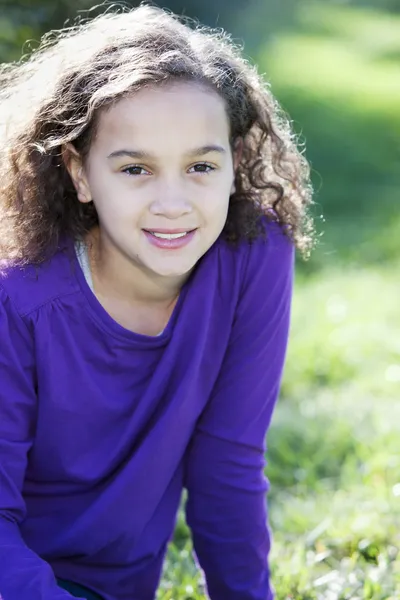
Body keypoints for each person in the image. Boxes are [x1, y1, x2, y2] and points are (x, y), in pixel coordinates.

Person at [0, 4, 314, 600]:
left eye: (200, 165)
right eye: (136, 169)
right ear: (80, 173)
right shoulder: (17, 300)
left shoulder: (252, 254)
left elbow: (229, 464)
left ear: (236, 164)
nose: (174, 204)